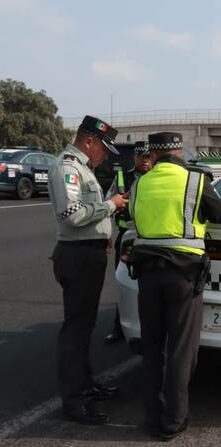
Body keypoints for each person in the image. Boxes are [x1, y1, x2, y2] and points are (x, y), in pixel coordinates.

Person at [129, 132, 221, 440]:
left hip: (147, 274)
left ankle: (152, 416)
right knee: (180, 349)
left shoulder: (140, 183)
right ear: (179, 151)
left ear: (154, 154)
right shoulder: (196, 181)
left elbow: (134, 215)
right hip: (183, 275)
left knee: (152, 347)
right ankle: (174, 420)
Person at [47, 115, 129, 424]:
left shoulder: (84, 169)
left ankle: (85, 384)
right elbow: (71, 215)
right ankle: (73, 402)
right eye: (103, 148)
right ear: (89, 141)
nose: (105, 155)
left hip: (89, 253)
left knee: (85, 326)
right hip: (77, 257)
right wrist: (111, 206)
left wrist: (102, 232)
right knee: (75, 331)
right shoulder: (68, 168)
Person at [104, 141, 153, 344]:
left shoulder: (158, 178)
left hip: (151, 238)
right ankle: (119, 327)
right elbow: (108, 203)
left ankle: (150, 328)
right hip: (127, 238)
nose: (146, 162)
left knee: (151, 285)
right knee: (124, 283)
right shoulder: (123, 176)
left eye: (149, 158)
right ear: (135, 157)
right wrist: (107, 235)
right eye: (142, 157)